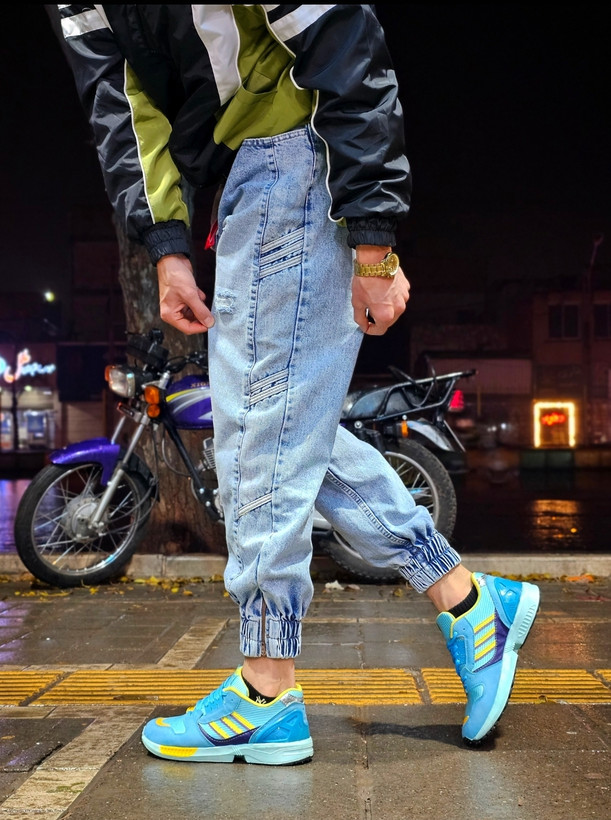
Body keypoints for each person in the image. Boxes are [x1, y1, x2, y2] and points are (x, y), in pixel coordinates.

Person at [47, 4, 539, 764]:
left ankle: (267, 688)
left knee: (260, 435)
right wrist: (168, 248)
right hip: (249, 179)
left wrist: (373, 239)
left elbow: (342, 36)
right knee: (280, 428)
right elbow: (124, 111)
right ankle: (469, 603)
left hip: (296, 161)